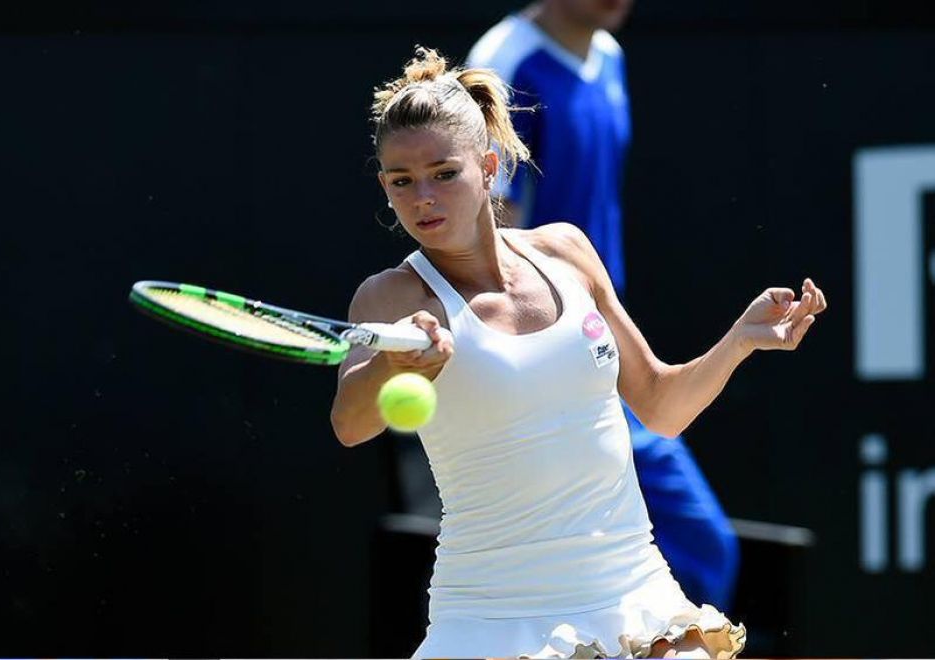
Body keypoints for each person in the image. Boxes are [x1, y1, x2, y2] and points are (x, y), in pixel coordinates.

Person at [331, 48, 826, 659]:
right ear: (385, 187)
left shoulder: (566, 250)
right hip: (492, 617)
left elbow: (661, 406)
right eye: (402, 181)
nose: (423, 197)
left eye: (444, 173)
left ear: (488, 168)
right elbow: (350, 424)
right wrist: (394, 364)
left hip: (635, 594)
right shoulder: (389, 297)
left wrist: (741, 340)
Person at [467, 0, 740, 609]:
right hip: (542, 359)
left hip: (598, 341)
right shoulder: (504, 62)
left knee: (700, 550)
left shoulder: (610, 57)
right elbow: (486, 220)